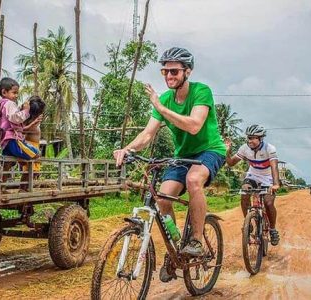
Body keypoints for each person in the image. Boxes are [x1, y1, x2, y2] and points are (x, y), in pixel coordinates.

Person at [114, 47, 226, 281]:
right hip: (182, 154)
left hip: (209, 150)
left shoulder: (201, 91)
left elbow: (195, 125)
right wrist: (127, 149)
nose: (168, 76)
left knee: (194, 180)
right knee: (162, 199)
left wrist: (161, 107)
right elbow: (147, 135)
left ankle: (196, 239)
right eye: (165, 71)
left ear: (188, 71)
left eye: (174, 71)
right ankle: (175, 250)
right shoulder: (165, 99)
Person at [225, 124, 280, 246]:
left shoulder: (269, 149)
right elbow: (231, 163)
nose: (250, 141)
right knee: (244, 193)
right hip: (253, 175)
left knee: (268, 202)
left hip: (268, 177)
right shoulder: (244, 148)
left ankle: (272, 229)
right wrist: (227, 152)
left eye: (253, 138)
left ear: (260, 138)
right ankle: (247, 223)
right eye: (248, 138)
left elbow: (274, 166)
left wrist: (275, 184)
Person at [0, 77, 40, 190]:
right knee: (36, 154)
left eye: (17, 93)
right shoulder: (9, 104)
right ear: (4, 92)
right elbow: (15, 118)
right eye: (14, 93)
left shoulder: (1, 105)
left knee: (7, 163)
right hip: (13, 139)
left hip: (5, 140)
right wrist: (26, 111)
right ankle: (24, 187)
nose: (16, 96)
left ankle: (1, 187)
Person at [20, 96, 46, 191]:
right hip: (31, 146)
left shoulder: (30, 122)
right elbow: (22, 131)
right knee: (30, 170)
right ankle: (23, 188)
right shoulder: (31, 124)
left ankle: (25, 187)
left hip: (33, 146)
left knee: (33, 170)